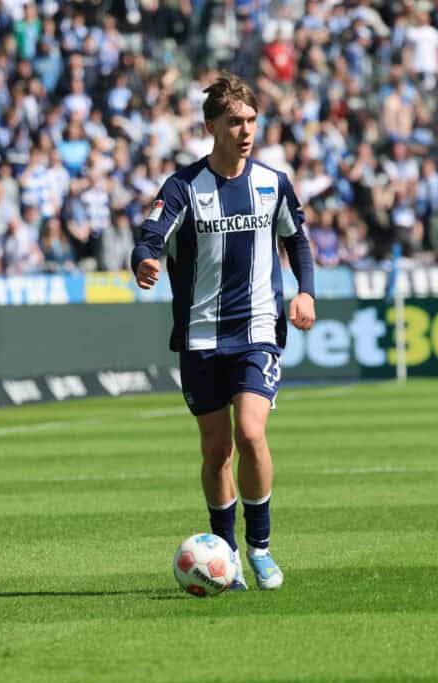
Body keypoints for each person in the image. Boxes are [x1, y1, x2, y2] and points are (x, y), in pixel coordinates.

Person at [131, 73, 316, 591]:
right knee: (216, 451)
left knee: (251, 432)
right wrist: (144, 262)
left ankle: (259, 546)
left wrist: (306, 292)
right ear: (211, 126)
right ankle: (226, 553)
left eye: (252, 121)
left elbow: (297, 241)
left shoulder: (272, 182)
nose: (245, 130)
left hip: (258, 329)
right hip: (200, 337)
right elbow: (148, 239)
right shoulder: (183, 188)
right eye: (234, 122)